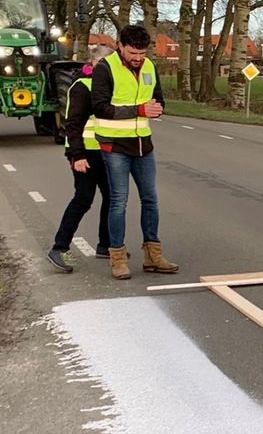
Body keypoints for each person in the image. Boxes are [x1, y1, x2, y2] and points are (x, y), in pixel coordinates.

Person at [90, 24, 177, 280]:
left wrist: (158, 108)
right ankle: (117, 257)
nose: (138, 59)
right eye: (132, 53)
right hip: (115, 146)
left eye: (142, 53)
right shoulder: (105, 69)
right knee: (119, 202)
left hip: (143, 145)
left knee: (151, 200)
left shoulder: (150, 67)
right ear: (120, 46)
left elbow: (158, 99)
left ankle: (153, 255)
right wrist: (139, 110)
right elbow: (100, 108)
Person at [47, 45, 114, 272]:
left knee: (112, 197)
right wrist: (76, 155)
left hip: (106, 150)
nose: (107, 69)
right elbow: (72, 124)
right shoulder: (82, 86)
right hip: (84, 152)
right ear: (93, 64)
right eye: (103, 64)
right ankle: (59, 247)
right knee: (83, 198)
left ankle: (105, 245)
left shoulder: (109, 86)